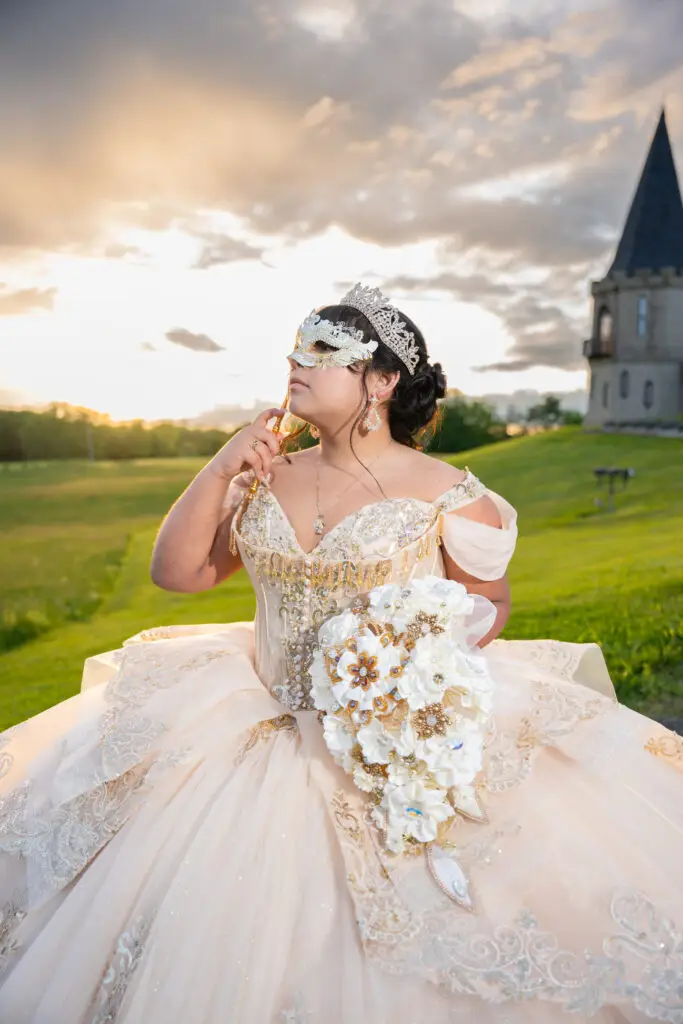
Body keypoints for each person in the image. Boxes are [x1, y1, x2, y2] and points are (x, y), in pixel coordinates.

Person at [0, 283, 681, 1024]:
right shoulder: (265, 475)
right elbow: (181, 573)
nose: (297, 361)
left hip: (392, 730)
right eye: (294, 347)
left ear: (381, 382)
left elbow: (491, 603)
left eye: (322, 350)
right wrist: (223, 465)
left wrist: (417, 669)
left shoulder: (450, 493)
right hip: (245, 717)